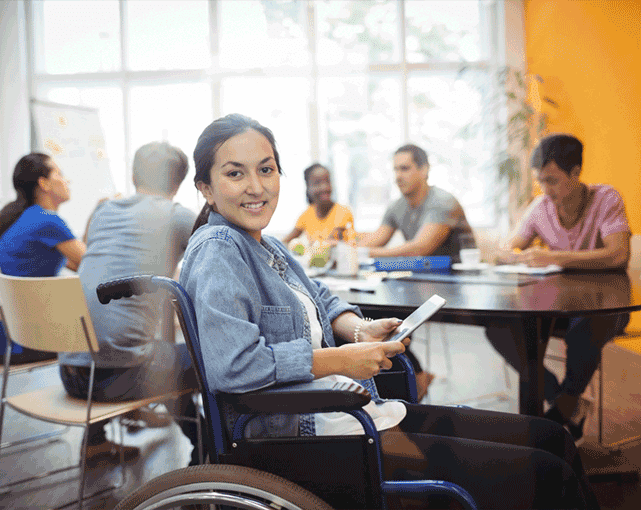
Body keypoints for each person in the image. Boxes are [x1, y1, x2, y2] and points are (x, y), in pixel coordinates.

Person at [179, 113, 599, 510]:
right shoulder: (219, 250)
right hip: (306, 434)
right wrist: (344, 359)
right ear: (206, 187)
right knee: (549, 471)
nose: (256, 186)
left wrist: (359, 329)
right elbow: (234, 366)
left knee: (552, 437)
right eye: (236, 173)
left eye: (266, 169)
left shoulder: (264, 245)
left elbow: (321, 297)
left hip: (345, 413)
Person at [58, 142, 204, 464]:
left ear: (134, 175)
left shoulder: (103, 211)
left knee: (145, 349)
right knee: (204, 357)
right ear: (179, 183)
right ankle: (206, 452)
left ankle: (95, 441)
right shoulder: (178, 216)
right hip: (114, 380)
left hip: (69, 371)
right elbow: (214, 270)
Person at [487, 133, 631, 441]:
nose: (545, 189)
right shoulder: (541, 206)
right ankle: (568, 402)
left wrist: (553, 257)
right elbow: (508, 249)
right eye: (541, 181)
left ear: (576, 172)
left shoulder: (606, 199)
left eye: (552, 180)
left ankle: (556, 416)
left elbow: (618, 254)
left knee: (585, 327)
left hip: (608, 307)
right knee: (499, 327)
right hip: (559, 307)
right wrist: (511, 253)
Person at [0, 152, 86, 365]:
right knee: (104, 336)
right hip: (26, 343)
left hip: (3, 344)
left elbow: (76, 263)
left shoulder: (25, 218)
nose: (67, 180)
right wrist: (100, 212)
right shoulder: (48, 221)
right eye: (60, 173)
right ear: (44, 184)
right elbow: (94, 262)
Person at [358, 144, 473, 260]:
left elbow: (419, 249)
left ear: (424, 170)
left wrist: (367, 253)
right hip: (422, 274)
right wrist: (348, 249)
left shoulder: (443, 201)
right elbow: (373, 240)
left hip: (458, 275)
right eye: (395, 170)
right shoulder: (396, 207)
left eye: (404, 169)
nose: (398, 176)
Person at [282, 163, 354, 245]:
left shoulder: (343, 212)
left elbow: (329, 244)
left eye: (327, 181)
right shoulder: (306, 215)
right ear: (308, 187)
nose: (324, 187)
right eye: (317, 183)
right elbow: (285, 242)